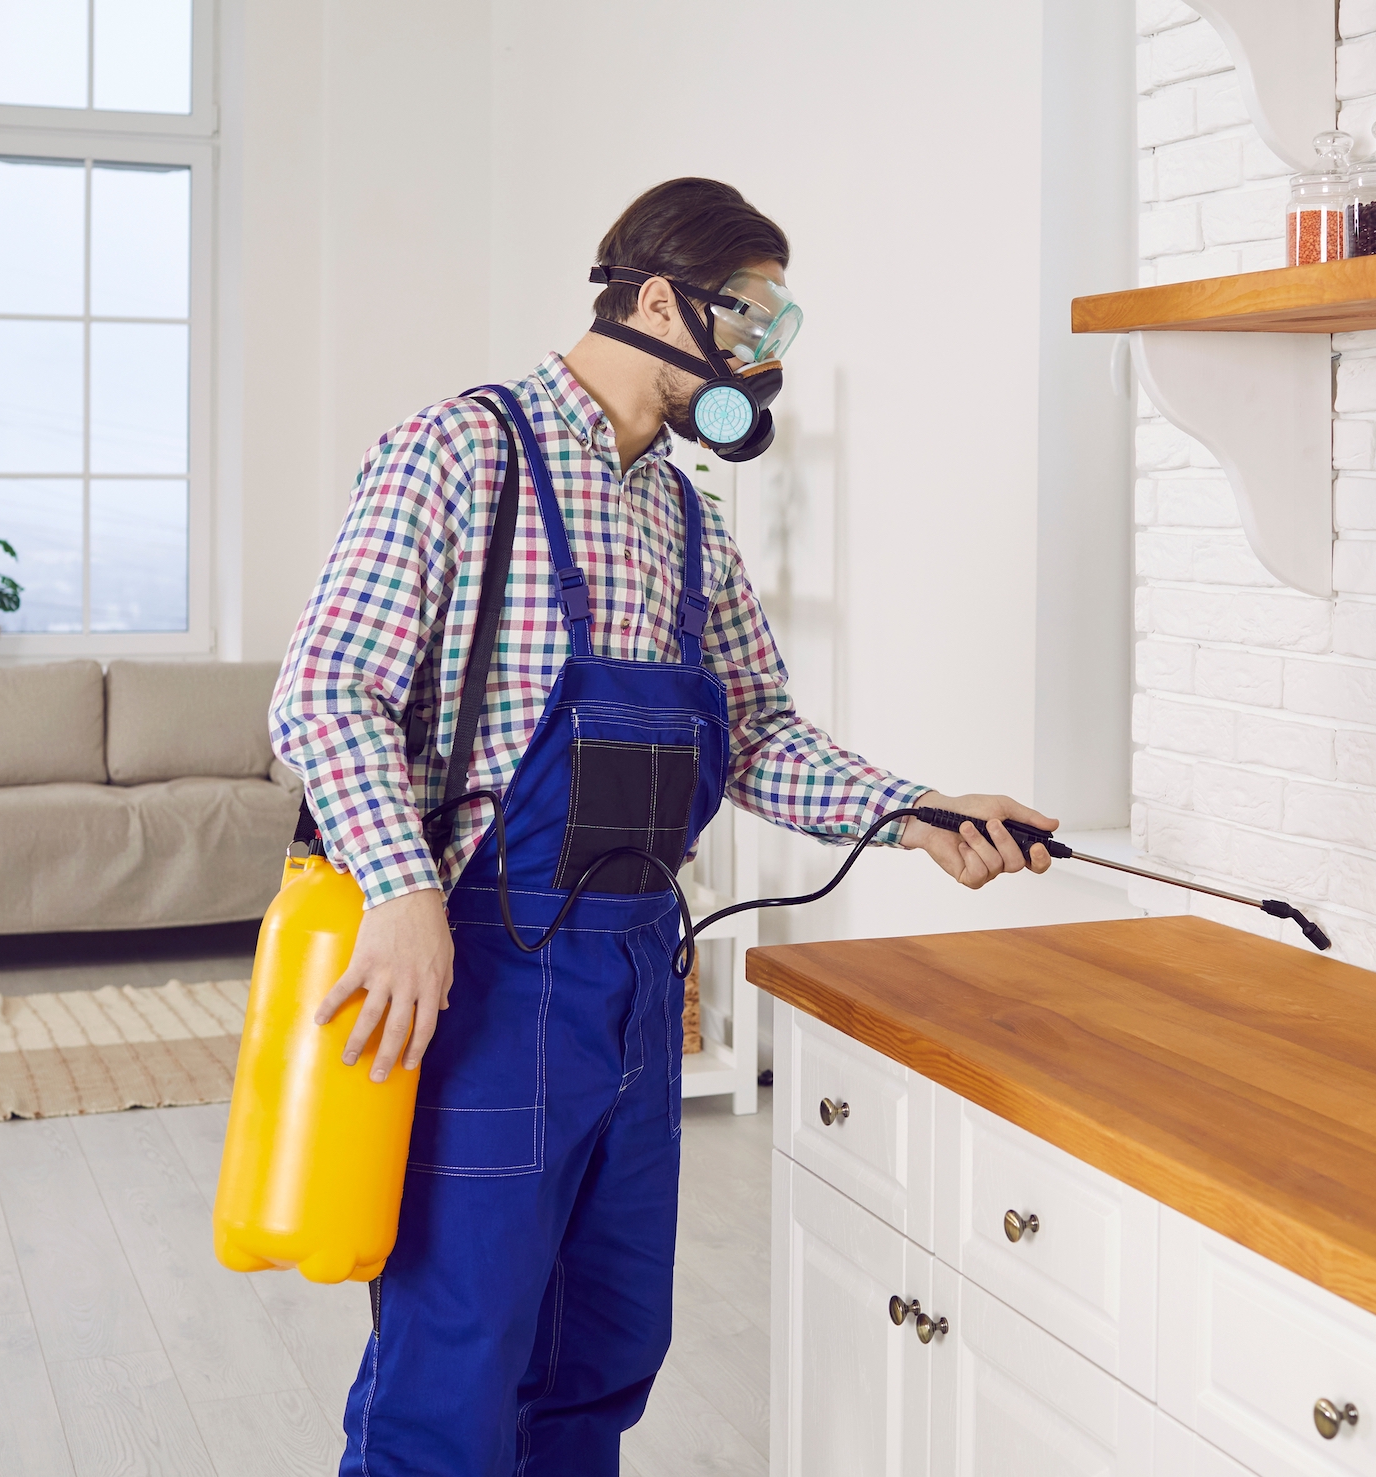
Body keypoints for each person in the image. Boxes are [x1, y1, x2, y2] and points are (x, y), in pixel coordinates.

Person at [269, 176, 1055, 1476]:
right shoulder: (464, 451)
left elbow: (757, 734)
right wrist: (402, 893)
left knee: (602, 1358)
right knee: (452, 1375)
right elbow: (326, 687)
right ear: (653, 300)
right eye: (748, 322)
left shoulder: (683, 515)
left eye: (774, 330)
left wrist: (919, 811)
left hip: (637, 986)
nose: (763, 358)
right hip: (487, 978)